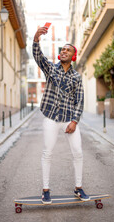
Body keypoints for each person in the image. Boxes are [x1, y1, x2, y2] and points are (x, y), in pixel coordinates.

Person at [33, 26, 89, 204]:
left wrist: (74, 121)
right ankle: (46, 190)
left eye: (68, 50)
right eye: (62, 49)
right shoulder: (51, 69)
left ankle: (78, 188)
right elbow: (38, 56)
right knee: (47, 153)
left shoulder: (76, 77)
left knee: (78, 153)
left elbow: (79, 100)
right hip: (50, 117)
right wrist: (36, 38)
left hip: (68, 120)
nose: (64, 51)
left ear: (73, 56)